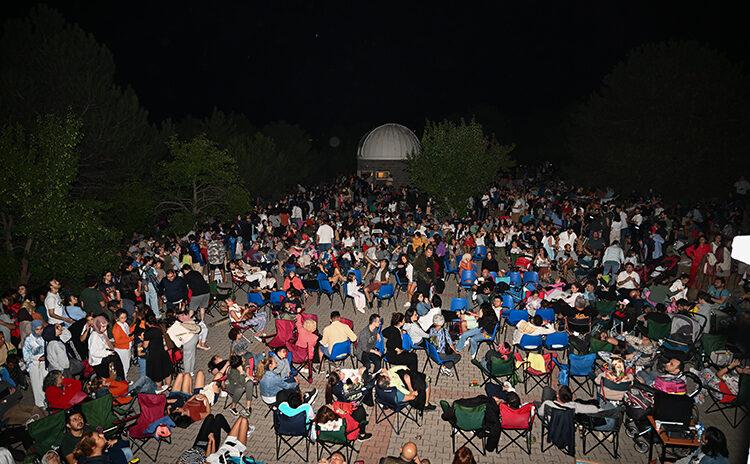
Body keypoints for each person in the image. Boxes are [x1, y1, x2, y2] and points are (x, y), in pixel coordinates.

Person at [142, 312, 173, 387]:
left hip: (154, 355)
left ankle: (159, 391)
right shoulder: (160, 326)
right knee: (167, 371)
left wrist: (142, 338)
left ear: (147, 322)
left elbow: (145, 346)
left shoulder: (148, 332)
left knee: (157, 375)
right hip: (163, 352)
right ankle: (168, 386)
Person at [88, 316, 124, 380]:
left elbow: (104, 344)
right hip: (97, 361)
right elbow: (94, 352)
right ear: (97, 325)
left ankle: (120, 379)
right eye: (103, 327)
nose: (105, 328)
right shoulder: (94, 336)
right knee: (105, 379)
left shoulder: (100, 332)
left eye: (105, 326)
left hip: (102, 356)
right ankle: (120, 379)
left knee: (115, 357)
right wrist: (108, 352)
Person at [22, 319, 47, 407]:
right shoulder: (28, 340)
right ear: (33, 329)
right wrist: (37, 358)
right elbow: (26, 356)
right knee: (37, 385)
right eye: (37, 329)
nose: (39, 331)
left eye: (41, 328)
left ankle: (48, 401)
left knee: (45, 382)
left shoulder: (45, 337)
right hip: (34, 365)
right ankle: (40, 404)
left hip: (44, 364)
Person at [111, 310, 133, 378]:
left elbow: (127, 333)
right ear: (117, 318)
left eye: (125, 317)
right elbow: (117, 341)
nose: (124, 319)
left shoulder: (125, 324)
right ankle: (125, 379)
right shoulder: (116, 328)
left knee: (127, 363)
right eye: (122, 318)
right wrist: (130, 339)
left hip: (126, 346)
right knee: (124, 365)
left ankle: (125, 378)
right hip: (121, 349)